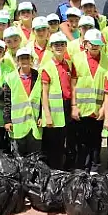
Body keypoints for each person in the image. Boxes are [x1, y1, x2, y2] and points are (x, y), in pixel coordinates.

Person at [71, 30, 108, 171]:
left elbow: (107, 88)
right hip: (82, 109)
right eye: (92, 44)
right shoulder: (76, 59)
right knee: (81, 143)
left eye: (98, 44)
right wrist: (74, 105)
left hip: (98, 110)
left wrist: (104, 107)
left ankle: (95, 169)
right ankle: (82, 170)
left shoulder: (107, 61)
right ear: (85, 44)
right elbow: (73, 84)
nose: (95, 47)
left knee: (96, 142)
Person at [40, 33, 75, 169]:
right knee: (52, 145)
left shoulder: (69, 64)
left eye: (62, 44)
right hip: (53, 110)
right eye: (56, 45)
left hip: (65, 107)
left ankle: (60, 171)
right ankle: (53, 172)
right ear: (51, 48)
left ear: (66, 46)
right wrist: (47, 115)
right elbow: (44, 93)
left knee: (62, 143)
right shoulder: (47, 67)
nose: (59, 47)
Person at [3, 47, 42, 156]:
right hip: (17, 125)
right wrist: (7, 120)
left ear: (31, 60)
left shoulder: (38, 76)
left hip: (34, 124)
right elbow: (7, 101)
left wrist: (41, 117)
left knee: (34, 157)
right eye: (21, 58)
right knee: (18, 157)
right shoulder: (10, 78)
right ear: (17, 61)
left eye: (27, 58)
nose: (24, 61)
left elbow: (42, 99)